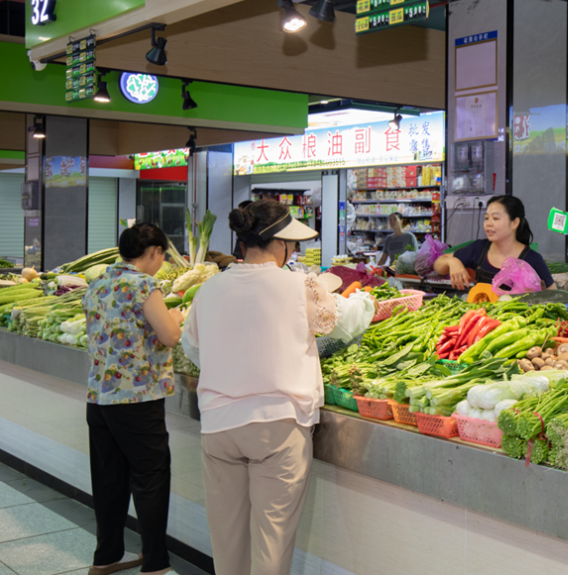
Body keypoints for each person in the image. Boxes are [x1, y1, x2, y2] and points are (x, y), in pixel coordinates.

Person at [181, 199, 376, 575]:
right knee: (272, 540)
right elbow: (344, 321)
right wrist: (366, 301)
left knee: (226, 538)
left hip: (219, 426)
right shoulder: (299, 285)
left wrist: (234, 367)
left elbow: (193, 347)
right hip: (278, 428)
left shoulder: (210, 288)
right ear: (281, 243)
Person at [83, 223, 184, 575]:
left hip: (99, 397)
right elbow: (170, 336)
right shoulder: (143, 285)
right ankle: (155, 563)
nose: (162, 264)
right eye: (162, 257)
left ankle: (106, 557)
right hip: (136, 398)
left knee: (109, 479)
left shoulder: (98, 282)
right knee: (150, 476)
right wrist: (176, 317)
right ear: (154, 252)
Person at [434, 195, 555, 291]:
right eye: (487, 218)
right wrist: (452, 261)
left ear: (514, 223)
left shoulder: (532, 259)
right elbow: (438, 265)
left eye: (495, 218)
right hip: (481, 314)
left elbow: (554, 296)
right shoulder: (479, 248)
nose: (488, 223)